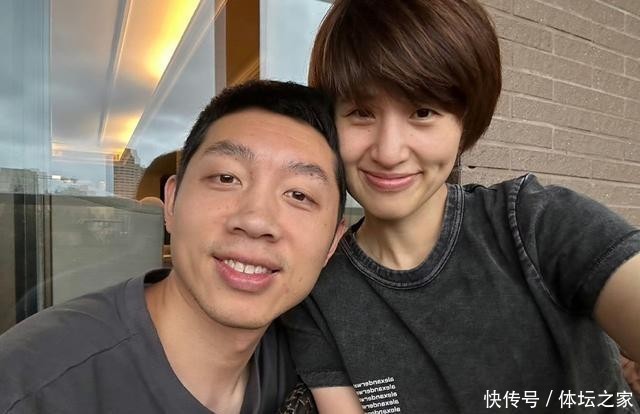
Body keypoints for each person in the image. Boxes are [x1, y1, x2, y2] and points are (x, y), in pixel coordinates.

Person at [282, 0, 640, 412]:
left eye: (423, 112)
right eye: (361, 113)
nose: (389, 152)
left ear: (464, 123)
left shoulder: (536, 225)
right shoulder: (321, 300)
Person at [0, 80, 346, 413]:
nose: (256, 221)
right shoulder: (31, 387)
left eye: (299, 195)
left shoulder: (314, 358)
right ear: (172, 202)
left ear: (333, 241)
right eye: (227, 178)